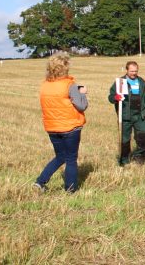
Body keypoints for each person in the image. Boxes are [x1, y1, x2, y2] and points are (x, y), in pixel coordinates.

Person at [36, 52, 88, 193]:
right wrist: (82, 93)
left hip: (52, 127)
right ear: (65, 67)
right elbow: (81, 106)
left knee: (60, 156)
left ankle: (40, 182)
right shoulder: (70, 85)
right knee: (71, 159)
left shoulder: (44, 85)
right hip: (70, 127)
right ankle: (70, 190)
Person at [108, 61, 145, 165]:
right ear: (127, 70)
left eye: (136, 71)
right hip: (126, 115)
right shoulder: (120, 82)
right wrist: (116, 97)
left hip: (140, 114)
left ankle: (139, 156)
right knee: (124, 140)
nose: (134, 73)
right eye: (131, 71)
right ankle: (124, 160)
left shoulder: (141, 82)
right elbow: (110, 97)